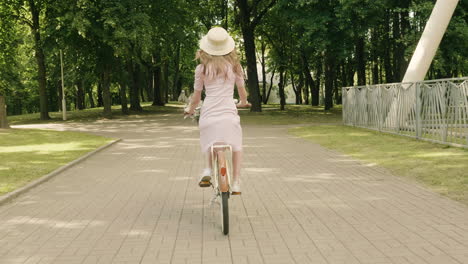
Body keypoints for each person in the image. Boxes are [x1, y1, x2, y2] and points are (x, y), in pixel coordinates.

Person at [184, 27, 250, 195]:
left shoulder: (202, 69)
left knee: (208, 140)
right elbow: (242, 93)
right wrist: (243, 102)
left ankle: (207, 169)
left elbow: (197, 97)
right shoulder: (235, 67)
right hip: (229, 114)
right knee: (237, 146)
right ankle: (235, 182)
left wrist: (190, 110)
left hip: (208, 114)